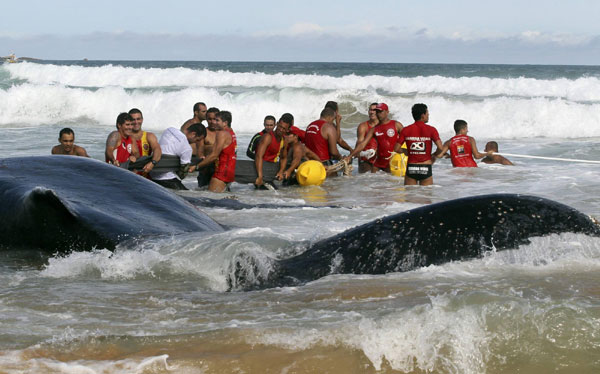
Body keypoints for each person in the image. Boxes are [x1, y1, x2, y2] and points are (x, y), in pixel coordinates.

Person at [347, 103, 404, 173]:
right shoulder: (374, 129)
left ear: (387, 112)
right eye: (377, 112)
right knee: (372, 182)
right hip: (378, 163)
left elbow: (407, 139)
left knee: (391, 182)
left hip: (392, 162)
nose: (378, 114)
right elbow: (362, 144)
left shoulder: (396, 125)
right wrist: (350, 156)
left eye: (381, 112)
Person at [150, 123, 207, 190]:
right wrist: (192, 168)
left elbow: (171, 149)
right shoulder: (187, 148)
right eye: (197, 140)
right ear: (193, 134)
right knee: (189, 196)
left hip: (152, 175)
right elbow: (182, 174)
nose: (195, 142)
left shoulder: (169, 130)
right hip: (168, 179)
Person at [397, 103, 443, 185]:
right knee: (426, 196)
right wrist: (433, 155)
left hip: (411, 167)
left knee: (410, 196)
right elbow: (440, 148)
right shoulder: (431, 130)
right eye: (427, 113)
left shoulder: (406, 130)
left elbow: (396, 148)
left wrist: (406, 151)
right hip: (426, 167)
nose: (428, 115)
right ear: (423, 115)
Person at [194, 111, 237, 192]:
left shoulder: (222, 133)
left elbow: (214, 155)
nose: (214, 122)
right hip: (229, 171)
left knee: (210, 200)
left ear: (225, 123)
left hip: (221, 172)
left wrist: (197, 166)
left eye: (217, 120)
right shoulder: (231, 132)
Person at [304, 107, 343, 175]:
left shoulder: (310, 125)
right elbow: (334, 152)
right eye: (333, 119)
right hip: (324, 164)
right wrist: (341, 158)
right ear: (329, 117)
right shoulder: (328, 127)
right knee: (332, 184)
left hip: (309, 164)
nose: (332, 122)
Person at [254, 116, 290, 186]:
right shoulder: (268, 137)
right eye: (280, 127)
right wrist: (260, 176)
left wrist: (281, 171)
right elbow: (258, 156)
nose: (281, 130)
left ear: (287, 130)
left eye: (284, 129)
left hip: (271, 170)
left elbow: (283, 158)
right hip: (260, 169)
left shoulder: (284, 140)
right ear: (277, 124)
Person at [129, 108, 162, 175]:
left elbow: (157, 150)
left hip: (146, 177)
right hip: (129, 176)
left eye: (138, 119)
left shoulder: (149, 136)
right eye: (133, 119)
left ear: (142, 120)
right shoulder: (124, 137)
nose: (136, 122)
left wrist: (153, 163)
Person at [196, 107, 220, 186]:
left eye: (215, 119)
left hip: (220, 169)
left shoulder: (224, 133)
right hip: (207, 169)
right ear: (206, 119)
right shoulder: (203, 132)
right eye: (209, 119)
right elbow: (200, 152)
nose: (212, 122)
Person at [356, 103, 379, 173]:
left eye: (374, 110)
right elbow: (359, 143)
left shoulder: (384, 126)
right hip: (366, 160)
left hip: (380, 159)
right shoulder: (363, 126)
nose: (372, 112)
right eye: (370, 110)